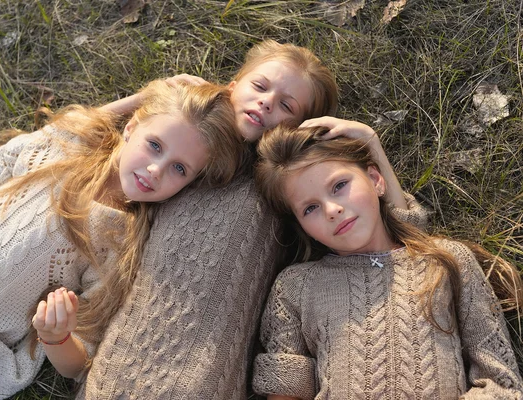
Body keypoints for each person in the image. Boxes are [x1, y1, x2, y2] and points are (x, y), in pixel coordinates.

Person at [78, 41, 428, 398]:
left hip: (206, 381)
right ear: (233, 87)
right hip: (119, 367)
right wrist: (147, 98)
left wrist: (372, 145)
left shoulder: (289, 187)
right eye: (260, 87)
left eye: (286, 105)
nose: (266, 103)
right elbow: (80, 141)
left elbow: (402, 240)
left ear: (299, 126)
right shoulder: (185, 154)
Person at [0, 80, 244, 400]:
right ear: (131, 127)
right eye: (155, 146)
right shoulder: (70, 149)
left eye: (179, 168)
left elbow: (77, 364)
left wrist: (56, 337)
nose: (155, 169)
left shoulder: (120, 245)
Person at [252, 123, 523, 399]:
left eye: (339, 186)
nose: (332, 210)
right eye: (310, 208)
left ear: (375, 180)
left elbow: (501, 383)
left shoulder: (447, 260)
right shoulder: (295, 287)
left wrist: (372, 142)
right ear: (301, 225)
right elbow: (284, 388)